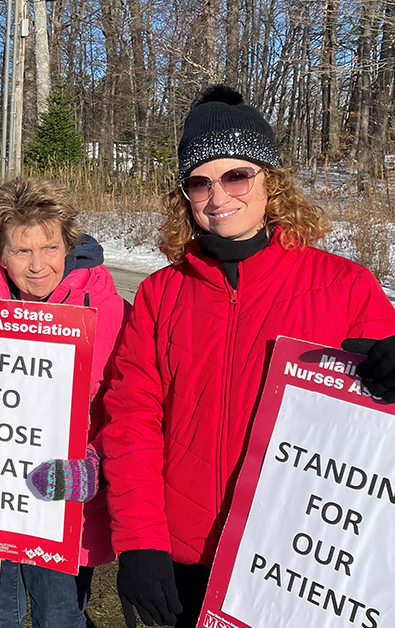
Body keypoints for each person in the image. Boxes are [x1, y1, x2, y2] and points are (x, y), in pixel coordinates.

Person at [101, 85, 395, 628]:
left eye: (236, 175)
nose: (218, 198)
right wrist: (141, 541)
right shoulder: (160, 294)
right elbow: (131, 421)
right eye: (200, 182)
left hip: (296, 560)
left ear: (271, 182)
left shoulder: (345, 286)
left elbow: (379, 434)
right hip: (187, 553)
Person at [0, 177, 129, 628]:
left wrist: (95, 464)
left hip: (66, 505)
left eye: (49, 248)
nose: (37, 266)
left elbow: (131, 410)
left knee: (60, 615)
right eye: (21, 251)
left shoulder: (110, 312)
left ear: (68, 245)